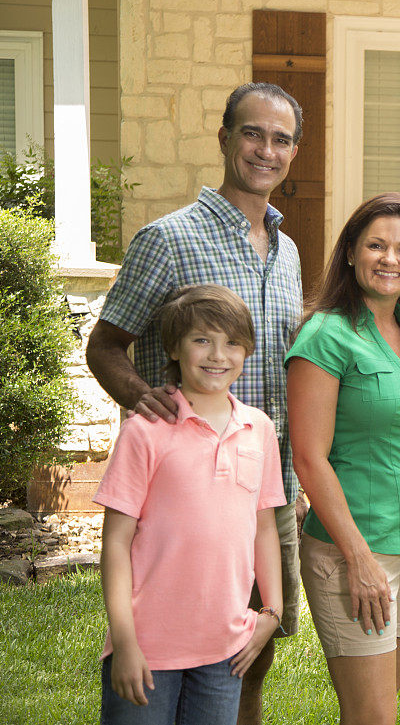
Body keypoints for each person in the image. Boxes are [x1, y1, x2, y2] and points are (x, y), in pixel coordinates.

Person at [86, 82, 304, 725]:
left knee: (249, 652)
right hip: (177, 495)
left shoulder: (288, 251)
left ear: (294, 152)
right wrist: (144, 400)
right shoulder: (169, 238)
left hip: (268, 487)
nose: (266, 149)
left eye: (282, 138)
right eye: (252, 133)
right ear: (225, 138)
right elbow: (106, 345)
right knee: (166, 648)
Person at [285, 192, 400, 725]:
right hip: (354, 553)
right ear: (350, 253)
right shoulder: (325, 336)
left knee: (379, 710)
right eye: (377, 245)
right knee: (373, 718)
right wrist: (360, 561)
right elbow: (308, 458)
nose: (391, 259)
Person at [95, 285, 285, 725]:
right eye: (202, 339)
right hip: (146, 647)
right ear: (174, 348)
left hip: (225, 649)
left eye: (232, 342)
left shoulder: (258, 429)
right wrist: (124, 642)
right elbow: (116, 543)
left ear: (247, 350)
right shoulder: (145, 430)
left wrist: (271, 612)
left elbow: (265, 528)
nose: (218, 354)